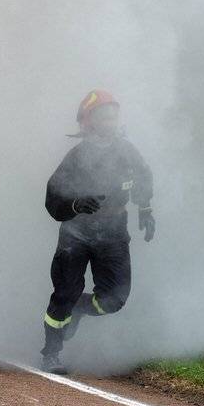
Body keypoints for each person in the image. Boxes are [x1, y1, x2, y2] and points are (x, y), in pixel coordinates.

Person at [40, 89, 154, 374]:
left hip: (113, 233)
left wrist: (145, 210)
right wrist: (77, 204)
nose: (110, 122)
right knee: (65, 292)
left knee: (115, 298)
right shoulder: (76, 157)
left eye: (113, 116)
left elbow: (142, 178)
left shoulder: (128, 151)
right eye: (103, 117)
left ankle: (79, 308)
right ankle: (51, 353)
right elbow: (53, 198)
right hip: (76, 235)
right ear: (89, 122)